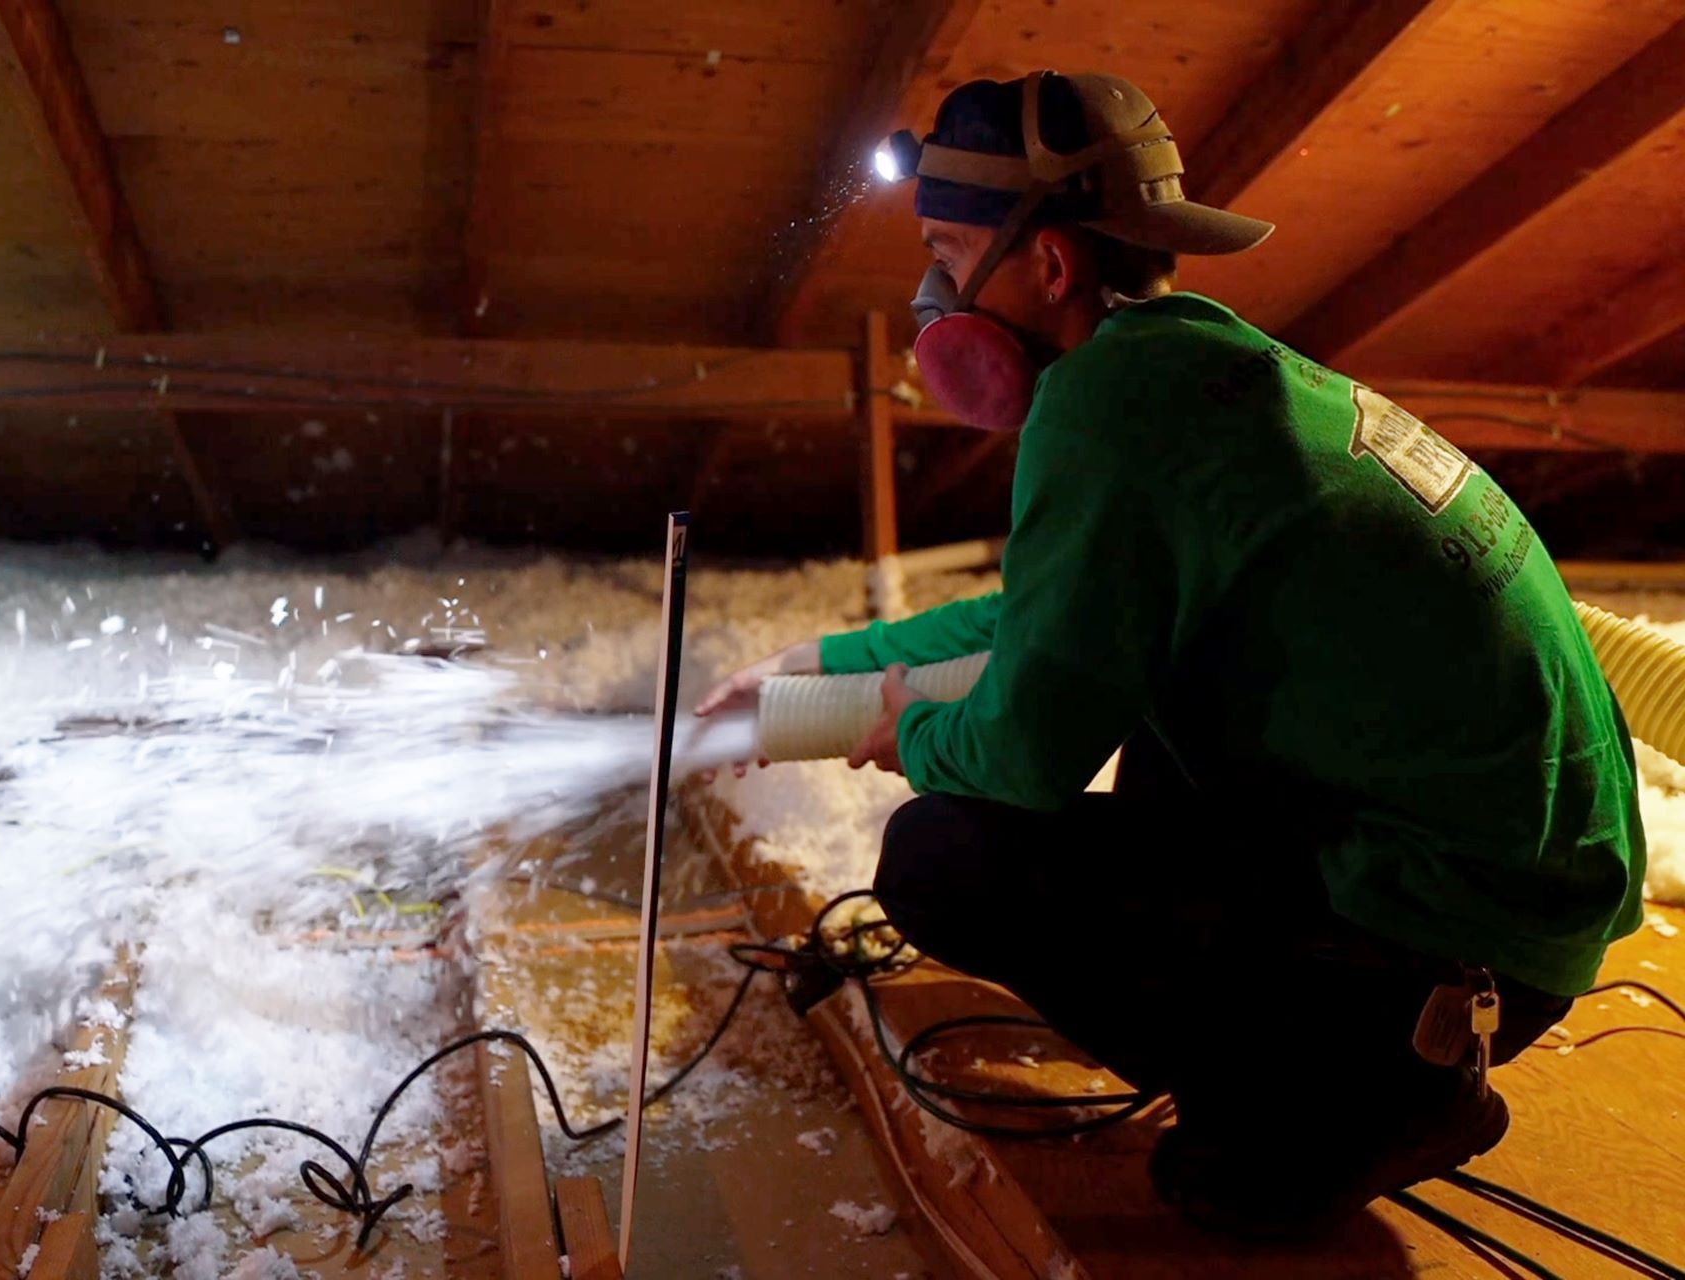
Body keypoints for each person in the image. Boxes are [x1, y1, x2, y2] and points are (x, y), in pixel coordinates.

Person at [696, 71, 1646, 1237]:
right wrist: (815, 669)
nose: (936, 293)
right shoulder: (1193, 371)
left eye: (950, 250)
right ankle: (1313, 1054)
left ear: (1050, 267)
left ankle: (1370, 1097)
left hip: (1455, 950)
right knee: (1145, 703)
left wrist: (901, 720)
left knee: (944, 854)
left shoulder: (1105, 408)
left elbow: (1023, 752)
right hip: (1505, 897)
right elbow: (1041, 618)